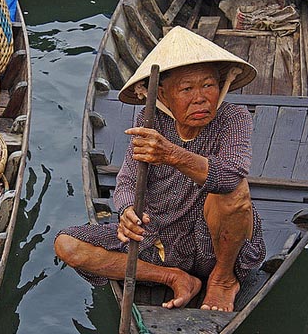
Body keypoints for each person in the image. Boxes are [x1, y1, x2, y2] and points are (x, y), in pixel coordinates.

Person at [54, 26, 266, 312]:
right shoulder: (151, 119)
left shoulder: (233, 118)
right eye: (187, 88)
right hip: (161, 242)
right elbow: (128, 181)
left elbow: (229, 177)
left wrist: (171, 154)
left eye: (208, 85)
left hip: (215, 247)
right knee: (67, 245)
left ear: (221, 86)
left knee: (233, 190)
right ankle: (175, 278)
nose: (201, 97)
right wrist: (127, 210)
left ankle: (224, 280)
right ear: (163, 95)